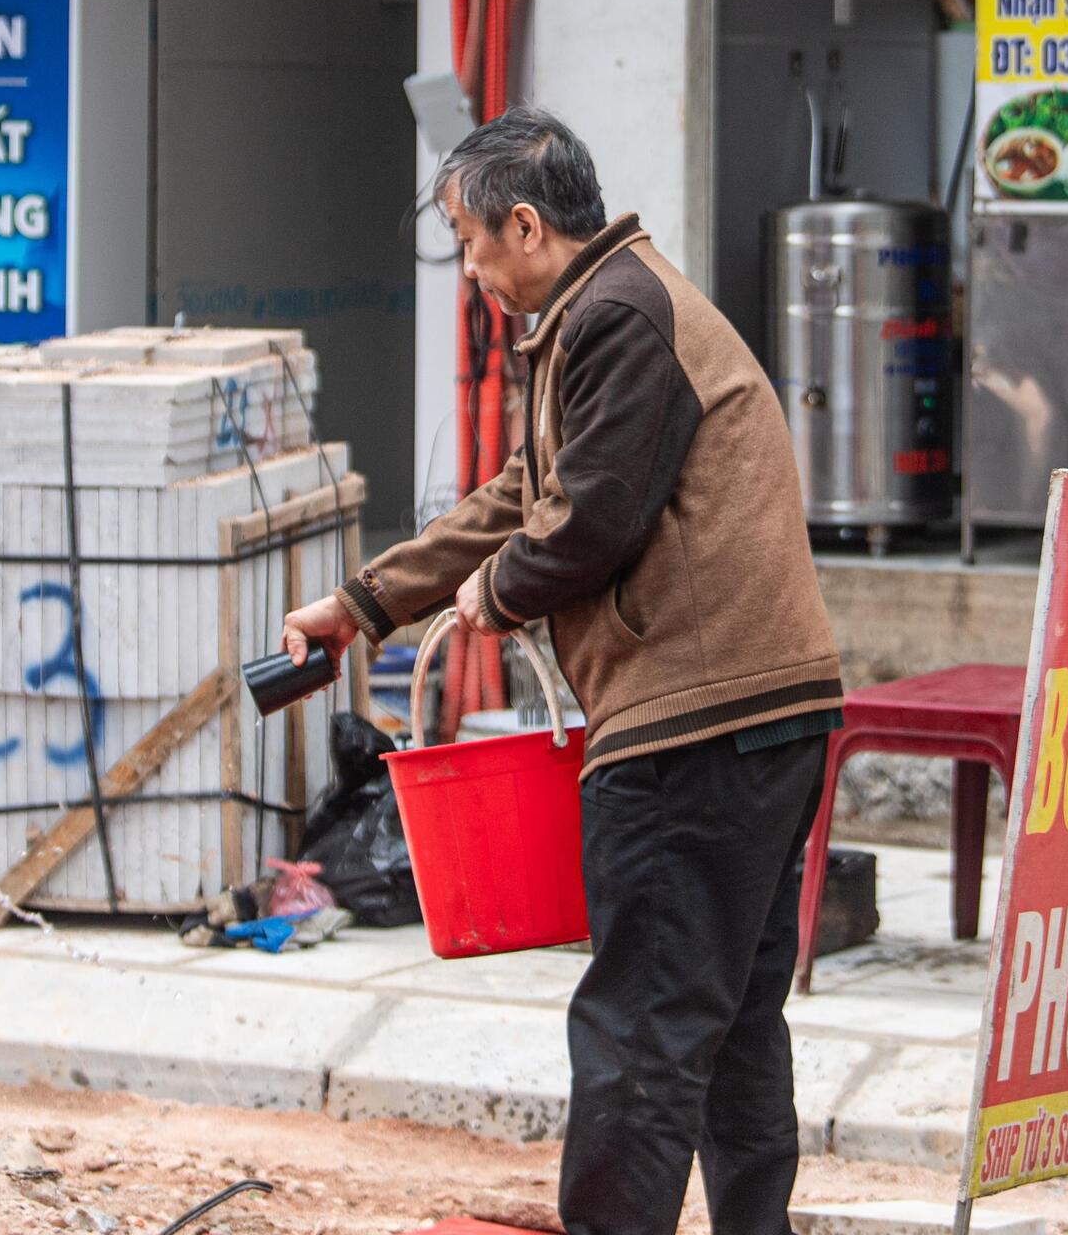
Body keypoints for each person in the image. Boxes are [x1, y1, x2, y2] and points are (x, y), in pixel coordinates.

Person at [281, 106, 845, 1235]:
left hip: (694, 720)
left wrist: (492, 594)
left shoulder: (619, 318)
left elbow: (585, 524)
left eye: (472, 241)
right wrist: (365, 604)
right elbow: (517, 494)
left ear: (525, 224)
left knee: (641, 1027)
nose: (474, 270)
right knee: (729, 1018)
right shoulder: (608, 310)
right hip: (761, 712)